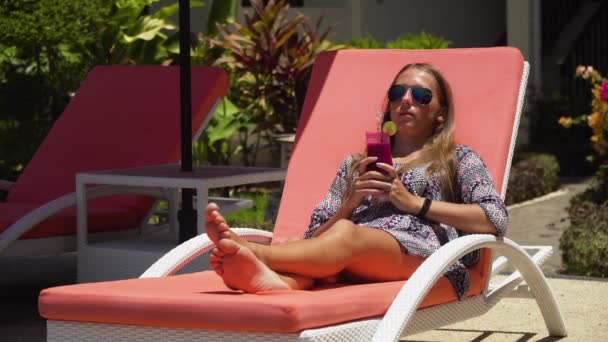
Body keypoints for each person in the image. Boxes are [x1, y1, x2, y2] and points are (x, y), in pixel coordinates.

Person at [205, 63, 507, 299]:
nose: (405, 100)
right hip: (352, 253)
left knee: (346, 236)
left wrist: (415, 203)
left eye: (420, 95)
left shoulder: (457, 159)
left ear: (440, 113)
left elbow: (494, 219)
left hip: (423, 256)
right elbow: (316, 237)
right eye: (397, 93)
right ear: (388, 104)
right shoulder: (356, 164)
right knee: (329, 243)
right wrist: (350, 202)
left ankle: (259, 252)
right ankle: (278, 283)